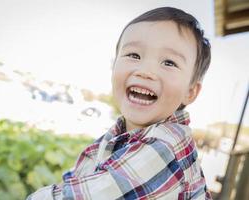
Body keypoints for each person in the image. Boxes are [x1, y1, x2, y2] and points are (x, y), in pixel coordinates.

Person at [27, 6, 212, 200]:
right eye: (134, 55)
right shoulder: (120, 133)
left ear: (190, 92)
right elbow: (80, 178)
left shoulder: (166, 145)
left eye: (169, 63)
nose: (145, 71)